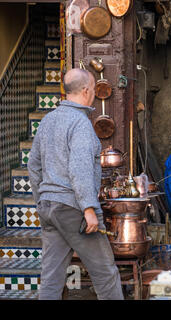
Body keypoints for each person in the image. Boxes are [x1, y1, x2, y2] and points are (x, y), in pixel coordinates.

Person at [28, 68, 124, 300]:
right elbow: (79, 169)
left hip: (49, 208)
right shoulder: (80, 124)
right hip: (74, 209)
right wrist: (88, 208)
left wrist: (42, 200)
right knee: (105, 273)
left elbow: (33, 165)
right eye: (92, 89)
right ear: (86, 91)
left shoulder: (48, 120)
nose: (93, 93)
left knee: (51, 278)